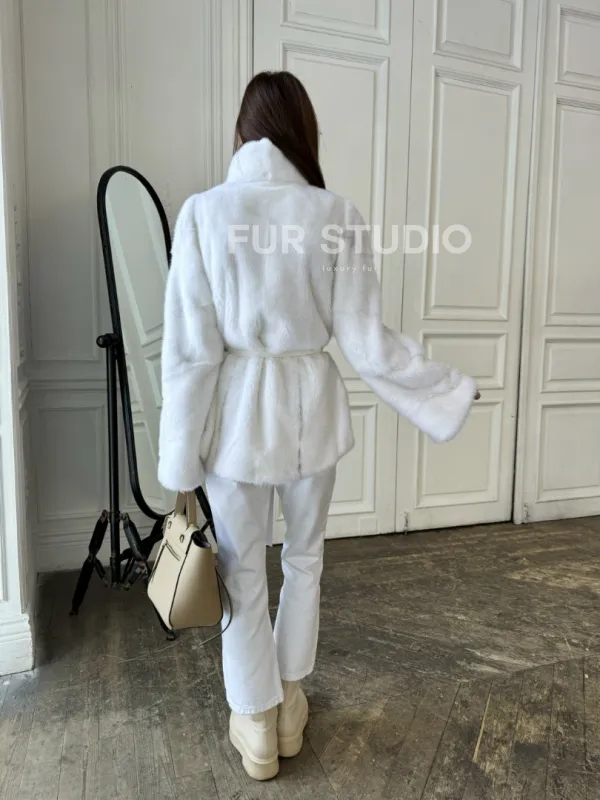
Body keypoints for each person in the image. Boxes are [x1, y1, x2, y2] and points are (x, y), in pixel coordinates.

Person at [158, 71, 479, 781]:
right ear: (304, 132)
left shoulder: (204, 213)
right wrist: (445, 391)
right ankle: (290, 701)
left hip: (237, 420)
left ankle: (256, 722)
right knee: (304, 561)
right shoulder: (335, 214)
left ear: (242, 133)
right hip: (313, 413)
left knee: (242, 570)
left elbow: (189, 352)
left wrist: (179, 458)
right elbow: (369, 343)